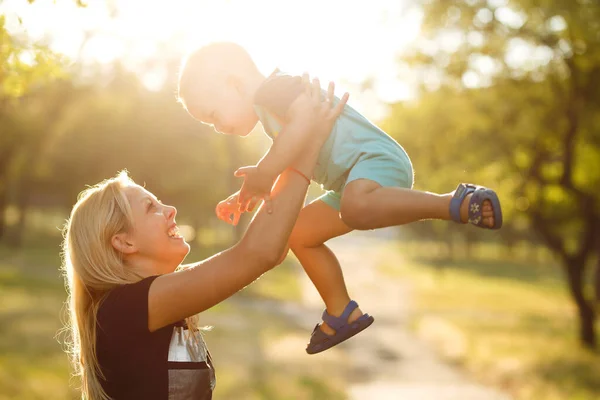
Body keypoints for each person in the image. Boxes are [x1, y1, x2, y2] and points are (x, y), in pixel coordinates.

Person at [176, 41, 503, 355]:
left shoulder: (275, 89)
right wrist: (254, 188)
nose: (217, 127)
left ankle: (454, 202)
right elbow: (294, 155)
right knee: (298, 233)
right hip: (350, 181)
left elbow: (306, 120)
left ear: (234, 83)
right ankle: (340, 311)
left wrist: (264, 170)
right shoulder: (268, 113)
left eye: (213, 115)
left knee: (356, 207)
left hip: (374, 159)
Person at [59, 79, 347, 399]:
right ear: (124, 242)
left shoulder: (152, 299)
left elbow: (272, 249)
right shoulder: (122, 309)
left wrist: (301, 149)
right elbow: (258, 254)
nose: (170, 210)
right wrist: (304, 142)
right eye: (151, 207)